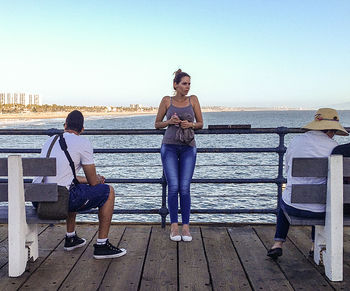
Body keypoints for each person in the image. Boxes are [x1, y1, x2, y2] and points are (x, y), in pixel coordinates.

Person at [33, 110, 126, 259]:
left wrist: (87, 179)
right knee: (108, 192)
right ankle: (102, 245)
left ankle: (71, 238)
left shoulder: (50, 141)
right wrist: (98, 178)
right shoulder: (83, 142)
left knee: (71, 188)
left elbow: (66, 175)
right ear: (82, 129)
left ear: (65, 125)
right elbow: (93, 182)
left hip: (38, 199)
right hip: (60, 200)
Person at [267, 108, 348, 259]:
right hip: (324, 211)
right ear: (331, 130)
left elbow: (288, 169)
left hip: (294, 207)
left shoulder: (296, 141)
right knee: (321, 196)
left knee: (284, 200)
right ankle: (313, 246)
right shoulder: (334, 148)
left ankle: (277, 243)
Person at [155, 69, 203, 242]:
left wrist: (190, 124)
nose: (187, 87)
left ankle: (186, 228)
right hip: (169, 147)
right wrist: (169, 122)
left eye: (189, 83)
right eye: (184, 83)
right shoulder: (167, 100)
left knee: (185, 187)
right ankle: (174, 226)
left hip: (188, 147)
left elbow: (201, 124)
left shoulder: (194, 100)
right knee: (173, 186)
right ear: (175, 85)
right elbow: (157, 124)